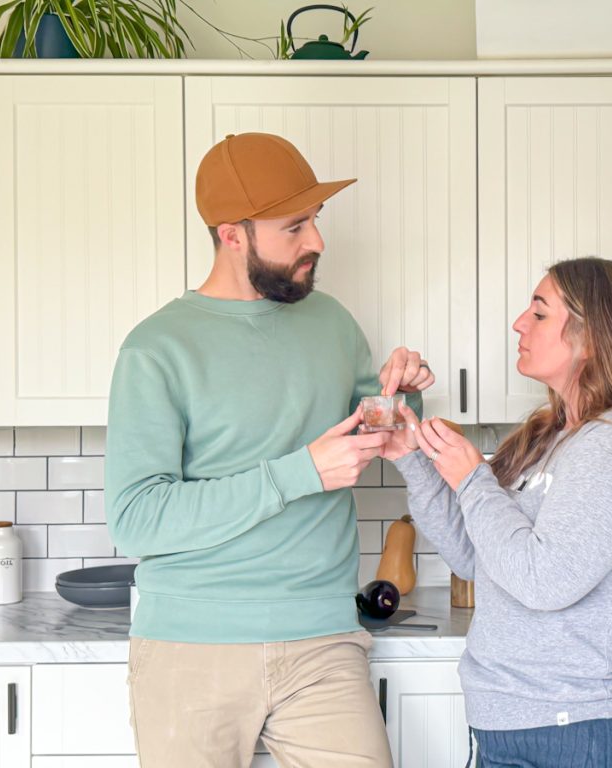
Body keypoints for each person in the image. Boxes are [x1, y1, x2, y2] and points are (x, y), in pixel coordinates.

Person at [105, 132, 433, 768]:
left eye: (315, 220)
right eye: (294, 227)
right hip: (190, 648)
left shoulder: (332, 324)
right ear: (232, 235)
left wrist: (401, 397)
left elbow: (368, 435)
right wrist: (297, 473)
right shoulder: (156, 349)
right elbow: (137, 518)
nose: (317, 242)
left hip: (323, 640)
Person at [383, 257, 612, 767]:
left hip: (586, 730)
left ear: (592, 337)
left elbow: (544, 580)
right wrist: (411, 457)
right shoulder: (549, 437)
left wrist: (471, 477)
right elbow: (475, 558)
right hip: (508, 721)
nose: (518, 323)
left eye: (539, 313)